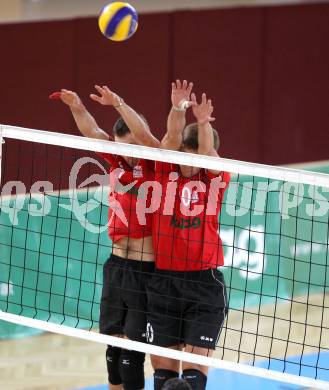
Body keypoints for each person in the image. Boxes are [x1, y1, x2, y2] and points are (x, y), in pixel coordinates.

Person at [51, 85, 159, 390]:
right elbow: (92, 130)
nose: (133, 157)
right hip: (116, 266)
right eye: (126, 149)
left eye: (136, 147)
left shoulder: (156, 163)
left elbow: (147, 140)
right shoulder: (117, 161)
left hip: (145, 270)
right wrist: (76, 106)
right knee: (112, 350)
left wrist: (119, 104)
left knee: (133, 351)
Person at [146, 80, 230, 390]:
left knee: (193, 378)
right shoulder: (166, 170)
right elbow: (170, 137)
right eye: (185, 154)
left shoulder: (215, 178)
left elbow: (206, 152)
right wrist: (177, 107)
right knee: (164, 378)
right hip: (164, 282)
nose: (188, 163)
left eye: (196, 157)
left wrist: (203, 122)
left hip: (203, 284)